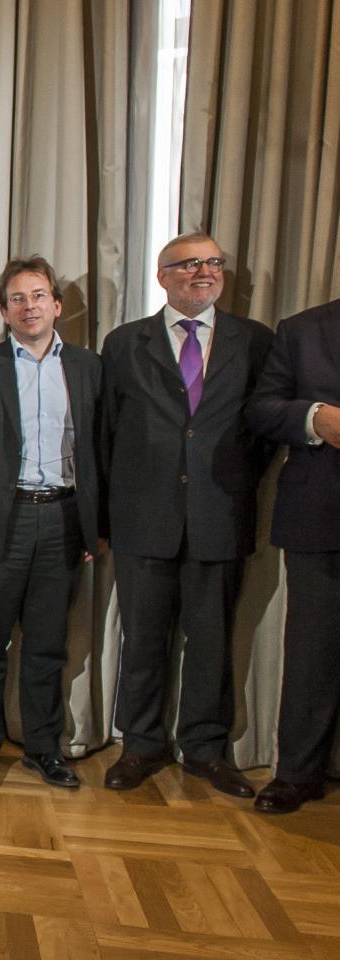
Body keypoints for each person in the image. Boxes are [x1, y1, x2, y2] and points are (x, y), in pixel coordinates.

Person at [100, 232, 272, 798]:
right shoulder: (125, 343)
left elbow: (263, 434)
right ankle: (141, 745)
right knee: (143, 638)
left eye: (213, 262)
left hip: (220, 515)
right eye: (190, 264)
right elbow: (108, 435)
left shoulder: (255, 341)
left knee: (212, 639)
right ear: (163, 275)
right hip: (142, 518)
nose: (204, 272)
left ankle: (205, 749)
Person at [0, 258, 101, 791]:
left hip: (62, 519)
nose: (29, 306)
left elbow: (98, 452)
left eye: (38, 296)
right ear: (4, 310)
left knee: (47, 645)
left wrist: (91, 527)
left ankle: (43, 747)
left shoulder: (86, 367)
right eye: (17, 298)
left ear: (57, 305)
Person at [245, 296, 340, 814]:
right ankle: (298, 773)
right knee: (312, 654)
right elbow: (262, 409)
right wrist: (315, 418)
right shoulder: (303, 329)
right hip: (321, 516)